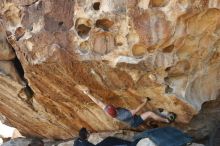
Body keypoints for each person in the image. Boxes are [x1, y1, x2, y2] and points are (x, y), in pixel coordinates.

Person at [78, 85, 172, 128]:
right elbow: (137, 109)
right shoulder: (124, 114)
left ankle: (150, 123)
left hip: (131, 119)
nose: (111, 105)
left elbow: (98, 102)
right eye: (112, 106)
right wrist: (145, 101)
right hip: (135, 121)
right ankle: (167, 120)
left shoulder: (108, 110)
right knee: (150, 113)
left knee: (145, 117)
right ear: (115, 109)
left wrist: (88, 94)